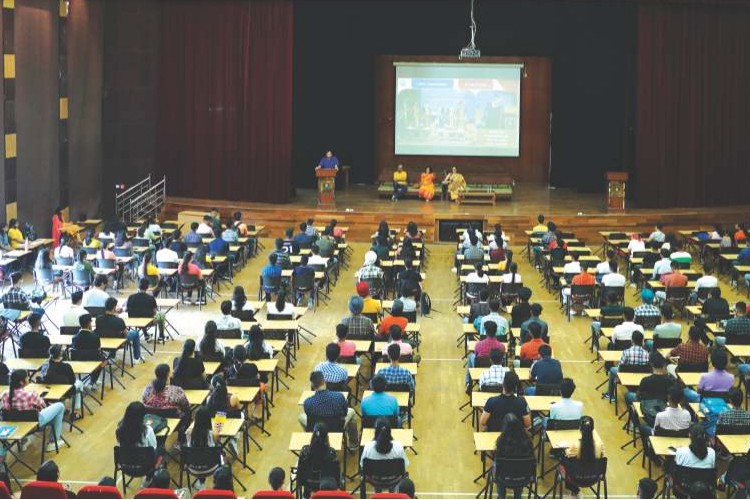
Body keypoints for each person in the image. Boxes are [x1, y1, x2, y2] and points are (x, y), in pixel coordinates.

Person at [2, 369, 66, 451]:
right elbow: (43, 406)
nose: (28, 378)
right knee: (60, 406)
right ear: (21, 382)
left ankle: (24, 441)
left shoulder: (5, 394)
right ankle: (53, 442)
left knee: (21, 416)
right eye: (27, 377)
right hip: (33, 424)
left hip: (15, 426)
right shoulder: (31, 394)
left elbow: (7, 410)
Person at [299, 371, 357, 450]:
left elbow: (309, 418)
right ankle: (353, 443)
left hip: (317, 427)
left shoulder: (307, 403)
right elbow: (345, 412)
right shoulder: (339, 397)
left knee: (301, 417)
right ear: (324, 382)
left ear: (312, 385)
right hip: (337, 428)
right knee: (352, 411)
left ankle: (314, 437)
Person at [360, 418, 409, 490]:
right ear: (390, 431)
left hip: (374, 481)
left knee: (376, 477)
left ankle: (378, 494)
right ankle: (392, 495)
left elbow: (362, 465)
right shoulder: (398, 446)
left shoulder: (368, 447)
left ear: (375, 431)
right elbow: (405, 465)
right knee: (394, 479)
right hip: (394, 480)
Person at [38, 344, 84, 418]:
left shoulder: (45, 365)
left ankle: (63, 409)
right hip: (65, 393)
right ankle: (77, 411)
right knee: (80, 383)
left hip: (48, 394)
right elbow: (73, 381)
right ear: (61, 354)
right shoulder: (66, 367)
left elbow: (41, 378)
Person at [494, 416, 535, 497]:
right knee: (519, 468)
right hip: (523, 478)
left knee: (497, 466)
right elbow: (532, 458)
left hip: (503, 478)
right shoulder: (527, 440)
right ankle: (518, 496)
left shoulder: (501, 441)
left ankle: (501, 496)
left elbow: (497, 458)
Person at [564, 417, 605, 497]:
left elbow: (567, 455)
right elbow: (602, 456)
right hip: (594, 477)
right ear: (593, 428)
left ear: (580, 428)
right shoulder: (600, 444)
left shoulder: (576, 445)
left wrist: (566, 450)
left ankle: (575, 491)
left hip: (576, 478)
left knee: (564, 463)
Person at [296, 422, 340, 496]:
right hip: (326, 487)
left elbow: (300, 474)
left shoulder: (304, 452)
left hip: (309, 484)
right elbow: (336, 476)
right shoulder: (331, 454)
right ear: (326, 436)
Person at [603, 330, 649, 402]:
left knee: (612, 369)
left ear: (632, 340)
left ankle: (610, 395)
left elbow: (620, 367)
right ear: (642, 341)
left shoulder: (626, 352)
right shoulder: (647, 354)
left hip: (627, 377)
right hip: (641, 379)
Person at [96, 297, 144, 363]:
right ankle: (137, 358)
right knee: (135, 333)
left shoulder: (98, 319)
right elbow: (126, 333)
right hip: (117, 344)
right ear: (114, 307)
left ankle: (112, 357)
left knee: (110, 334)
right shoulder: (119, 320)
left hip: (102, 344)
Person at [184, 405, 221, 486]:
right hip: (211, 467)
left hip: (192, 467)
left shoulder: (188, 432)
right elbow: (218, 435)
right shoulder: (211, 434)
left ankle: (200, 482)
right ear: (208, 420)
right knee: (221, 453)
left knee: (199, 455)